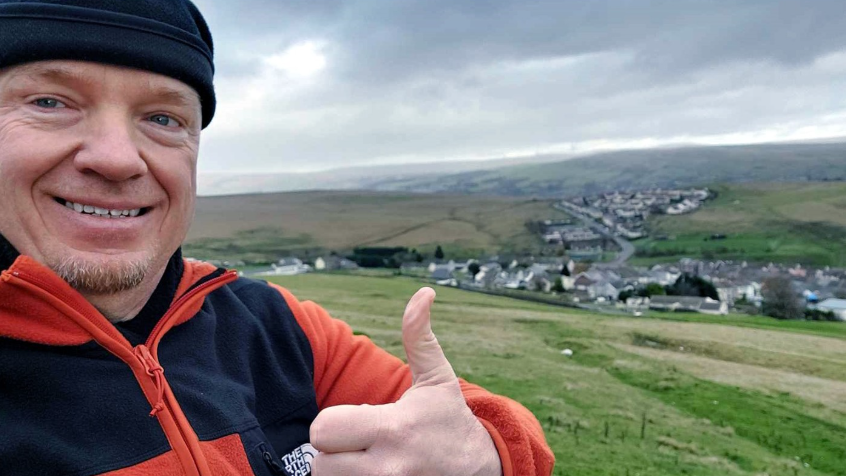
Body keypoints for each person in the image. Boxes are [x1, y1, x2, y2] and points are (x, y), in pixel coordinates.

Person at [0, 0, 554, 475]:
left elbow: (490, 425)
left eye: (163, 118)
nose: (118, 158)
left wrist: (482, 452)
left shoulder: (272, 325)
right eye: (50, 102)